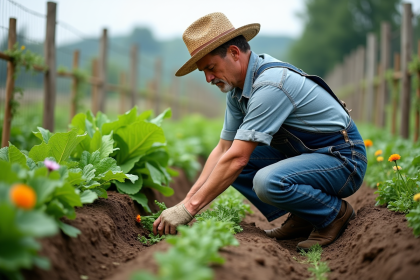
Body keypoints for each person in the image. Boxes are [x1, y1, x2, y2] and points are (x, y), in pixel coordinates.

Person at [153, 12, 367, 251]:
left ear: (234, 53)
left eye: (211, 67)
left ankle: (333, 214)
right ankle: (305, 215)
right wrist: (185, 203)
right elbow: (224, 149)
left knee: (265, 180)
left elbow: (237, 158)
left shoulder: (270, 85)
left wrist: (189, 210)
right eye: (203, 71)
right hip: (309, 155)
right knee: (230, 160)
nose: (208, 78)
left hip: (343, 160)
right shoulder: (238, 89)